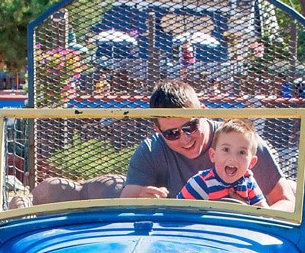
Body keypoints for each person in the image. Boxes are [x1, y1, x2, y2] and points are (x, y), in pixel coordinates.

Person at [121, 80, 296, 211]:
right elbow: (123, 205)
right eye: (172, 133)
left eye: (190, 126)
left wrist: (253, 215)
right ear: (158, 131)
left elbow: (287, 202)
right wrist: (141, 199)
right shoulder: (150, 151)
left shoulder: (241, 144)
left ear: (204, 111)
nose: (185, 139)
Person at [177, 119, 268, 207]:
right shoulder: (201, 182)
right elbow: (177, 210)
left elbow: (264, 214)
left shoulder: (248, 182)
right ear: (213, 155)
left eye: (242, 152)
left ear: (252, 162)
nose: (233, 158)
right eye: (226, 149)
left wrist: (248, 209)